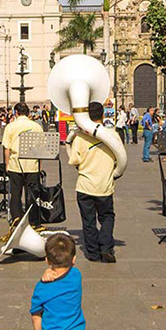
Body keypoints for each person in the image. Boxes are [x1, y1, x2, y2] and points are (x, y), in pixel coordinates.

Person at [67, 102, 117, 263]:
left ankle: (93, 253)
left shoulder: (80, 138)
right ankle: (106, 247)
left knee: (88, 221)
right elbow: (119, 159)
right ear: (103, 115)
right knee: (107, 217)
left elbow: (74, 160)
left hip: (85, 185)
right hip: (104, 186)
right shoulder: (113, 135)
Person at [2, 102, 43, 223]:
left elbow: (7, 148)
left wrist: (7, 164)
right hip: (32, 165)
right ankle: (33, 220)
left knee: (15, 194)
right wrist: (40, 166)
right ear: (29, 113)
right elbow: (41, 149)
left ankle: (17, 219)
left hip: (16, 164)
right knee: (33, 194)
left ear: (16, 113)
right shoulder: (36, 127)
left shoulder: (10, 127)